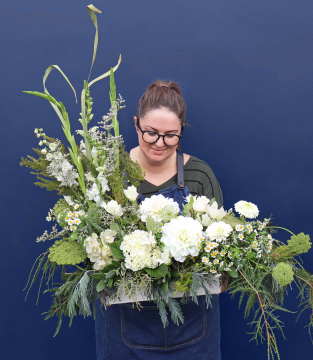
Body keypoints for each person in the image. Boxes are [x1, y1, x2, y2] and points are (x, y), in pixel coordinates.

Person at [95, 80, 224, 360]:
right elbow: (91, 253)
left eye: (170, 136)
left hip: (193, 331)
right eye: (151, 133)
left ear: (181, 132)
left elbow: (221, 256)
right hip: (124, 331)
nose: (159, 143)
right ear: (135, 124)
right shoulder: (111, 174)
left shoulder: (200, 175)